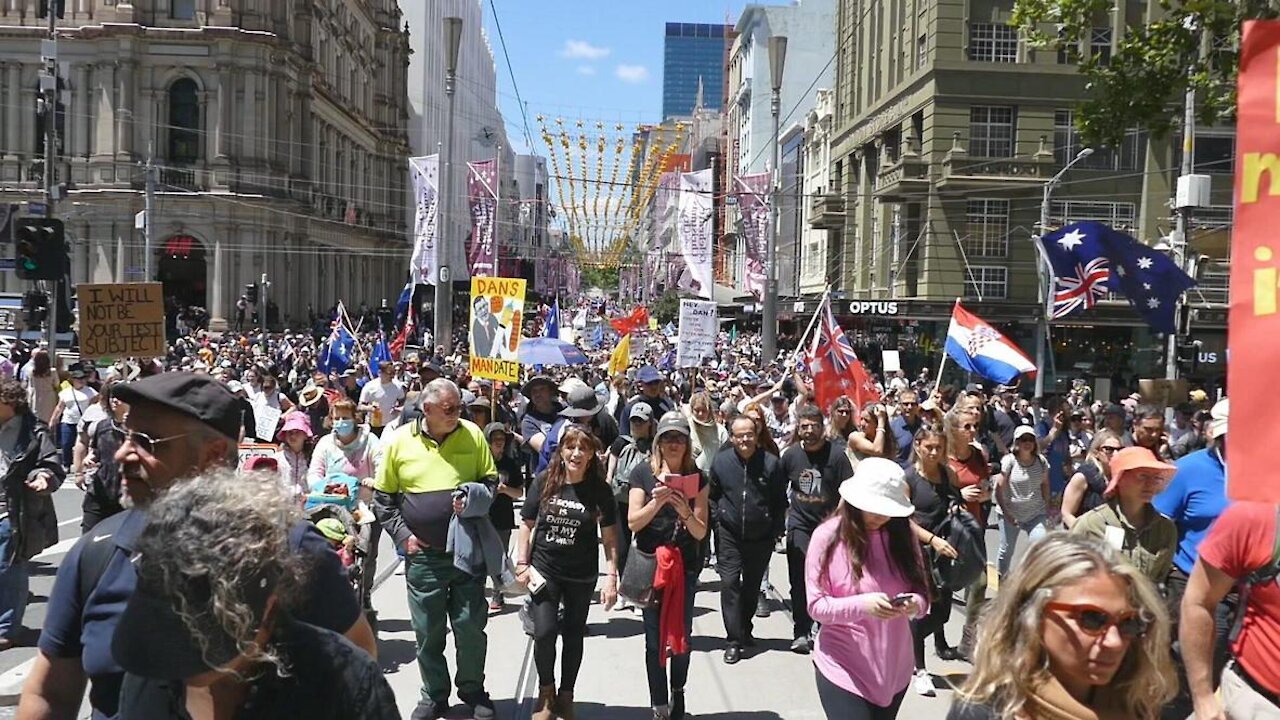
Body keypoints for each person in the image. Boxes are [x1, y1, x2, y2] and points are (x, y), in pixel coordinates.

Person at [22, 372, 375, 720]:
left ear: (214, 455)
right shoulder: (98, 552)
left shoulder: (290, 550)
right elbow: (49, 693)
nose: (123, 455)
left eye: (147, 442)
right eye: (125, 437)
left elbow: (356, 667)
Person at [111, 469, 399, 719]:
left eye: (204, 636)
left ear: (269, 608)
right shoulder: (149, 680)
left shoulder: (344, 683)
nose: (179, 657)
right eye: (171, 628)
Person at [373, 378, 500, 720]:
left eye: (458, 407)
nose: (456, 414)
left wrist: (473, 497)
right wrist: (403, 538)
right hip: (424, 556)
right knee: (428, 630)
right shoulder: (400, 442)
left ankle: (472, 688)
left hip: (467, 550)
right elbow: (383, 500)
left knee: (470, 625)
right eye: (449, 409)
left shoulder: (472, 435)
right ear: (426, 409)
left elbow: (491, 481)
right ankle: (434, 694)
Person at [948, 532, 1175, 720]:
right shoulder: (983, 712)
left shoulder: (1140, 709)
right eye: (1092, 618)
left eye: (1129, 623)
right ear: (1033, 614)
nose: (1115, 642)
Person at [805, 457, 930, 719]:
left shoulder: (904, 537)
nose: (879, 516)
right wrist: (863, 606)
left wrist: (912, 604)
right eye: (872, 508)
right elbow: (817, 606)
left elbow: (924, 597)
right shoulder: (827, 537)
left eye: (887, 510)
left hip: (894, 670)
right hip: (842, 667)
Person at [516, 425, 620, 720]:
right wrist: (523, 563)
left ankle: (566, 695)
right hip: (545, 571)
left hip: (581, 574)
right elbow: (527, 523)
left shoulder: (600, 490)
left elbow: (610, 537)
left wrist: (611, 577)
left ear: (591, 454)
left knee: (574, 636)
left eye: (583, 448)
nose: (576, 453)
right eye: (570, 447)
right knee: (545, 632)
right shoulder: (544, 481)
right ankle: (546, 694)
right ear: (560, 451)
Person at [628, 412, 710, 720]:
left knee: (681, 637)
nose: (674, 444)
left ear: (687, 444)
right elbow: (633, 521)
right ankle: (659, 703)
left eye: (680, 438)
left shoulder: (698, 479)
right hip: (651, 566)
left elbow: (701, 531)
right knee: (653, 639)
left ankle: (678, 691)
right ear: (658, 443)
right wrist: (657, 502)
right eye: (668, 438)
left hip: (684, 568)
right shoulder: (642, 474)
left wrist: (684, 510)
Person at [710, 414, 787, 664]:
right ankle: (733, 640)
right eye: (739, 435)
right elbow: (712, 495)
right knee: (729, 582)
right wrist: (717, 519)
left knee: (752, 587)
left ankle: (745, 628)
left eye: (749, 434)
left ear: (756, 435)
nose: (745, 439)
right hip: (729, 534)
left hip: (760, 536)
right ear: (731, 438)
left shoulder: (772, 464)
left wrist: (775, 530)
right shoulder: (721, 463)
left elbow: (779, 501)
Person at [781, 405, 854, 655]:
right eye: (804, 426)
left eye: (814, 426)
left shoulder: (836, 456)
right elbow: (780, 490)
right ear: (798, 428)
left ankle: (825, 627)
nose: (809, 430)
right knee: (800, 579)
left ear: (823, 428)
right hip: (799, 525)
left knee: (827, 580)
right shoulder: (790, 456)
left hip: (830, 527)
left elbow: (848, 490)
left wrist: (837, 519)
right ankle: (801, 631)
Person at [0, 378, 63, 651]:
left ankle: (6, 628)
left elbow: (48, 463)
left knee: (8, 566)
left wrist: (43, 477)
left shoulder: (34, 431)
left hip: (13, 508)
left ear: (9, 403)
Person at [904, 424, 963, 696]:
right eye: (929, 447)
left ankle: (903, 641)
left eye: (939, 447)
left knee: (942, 614)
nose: (934, 452)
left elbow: (956, 502)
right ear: (918, 446)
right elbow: (903, 520)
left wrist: (956, 508)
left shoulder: (947, 473)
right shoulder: (909, 479)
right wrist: (931, 539)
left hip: (943, 554)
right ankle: (920, 670)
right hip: (916, 551)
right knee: (921, 610)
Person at [309, 397, 382, 609]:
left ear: (355, 419)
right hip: (330, 507)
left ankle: (364, 591)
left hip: (362, 507)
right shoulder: (325, 443)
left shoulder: (369, 441)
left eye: (345, 418)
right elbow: (314, 472)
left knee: (366, 552)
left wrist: (374, 481)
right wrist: (322, 485)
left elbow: (380, 464)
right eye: (336, 418)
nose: (341, 422)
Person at [1071, 447, 1177, 584]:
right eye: (1142, 476)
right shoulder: (1091, 525)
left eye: (1155, 477)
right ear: (1120, 479)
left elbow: (1160, 578)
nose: (1150, 484)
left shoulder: (1165, 530)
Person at [946, 407, 993, 659]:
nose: (972, 431)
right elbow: (931, 490)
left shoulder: (977, 455)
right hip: (946, 530)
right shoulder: (941, 455)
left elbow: (985, 483)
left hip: (973, 528)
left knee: (980, 583)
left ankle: (968, 636)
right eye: (967, 426)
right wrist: (958, 496)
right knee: (941, 591)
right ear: (953, 430)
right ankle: (933, 639)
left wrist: (986, 492)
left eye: (975, 426)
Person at [608, 402, 655, 598]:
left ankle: (641, 590)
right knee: (623, 546)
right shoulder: (621, 442)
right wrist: (608, 480)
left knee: (644, 548)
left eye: (641, 422)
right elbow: (612, 462)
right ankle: (624, 590)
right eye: (634, 421)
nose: (637, 425)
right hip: (621, 501)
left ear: (650, 423)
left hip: (646, 502)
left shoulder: (656, 444)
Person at [996, 425, 1052, 577]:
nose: (1027, 443)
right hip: (1011, 513)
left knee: (1039, 545)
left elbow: (1045, 484)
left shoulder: (1041, 461)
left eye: (1030, 439)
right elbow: (998, 488)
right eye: (1022, 439)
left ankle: (1030, 579)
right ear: (1016, 442)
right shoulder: (1009, 461)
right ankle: (1001, 580)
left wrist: (1047, 506)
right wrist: (1006, 513)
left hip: (1035, 513)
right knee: (1006, 551)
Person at [78, 383, 128, 532]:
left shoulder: (140, 429)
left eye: (120, 397)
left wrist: (130, 428)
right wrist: (90, 457)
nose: (114, 400)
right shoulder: (102, 426)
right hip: (100, 491)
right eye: (112, 397)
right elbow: (95, 450)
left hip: (125, 495)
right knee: (88, 538)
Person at [485, 422, 524, 611]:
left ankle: (497, 593)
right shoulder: (481, 462)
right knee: (480, 558)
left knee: (499, 557)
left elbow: (519, 493)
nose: (499, 443)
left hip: (502, 516)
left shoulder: (510, 464)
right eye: (495, 439)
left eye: (502, 439)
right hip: (483, 516)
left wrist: (505, 489)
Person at [1060, 430, 1123, 530]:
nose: (1116, 454)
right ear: (1096, 452)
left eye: (1120, 449)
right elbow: (1066, 513)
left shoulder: (1121, 475)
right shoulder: (1083, 476)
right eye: (1108, 449)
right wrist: (1085, 534)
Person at [49, 363, 97, 469]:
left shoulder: (91, 392)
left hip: (84, 422)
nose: (81, 381)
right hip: (68, 421)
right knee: (66, 444)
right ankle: (66, 464)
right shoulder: (65, 393)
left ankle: (81, 464)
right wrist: (53, 420)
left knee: (84, 444)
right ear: (73, 380)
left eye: (83, 378)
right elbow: (59, 407)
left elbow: (95, 406)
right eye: (78, 379)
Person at [359, 361, 405, 437]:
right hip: (374, 425)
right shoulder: (370, 386)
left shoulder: (398, 386)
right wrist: (370, 408)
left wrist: (398, 409)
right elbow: (360, 406)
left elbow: (402, 401)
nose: (392, 376)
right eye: (389, 373)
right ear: (380, 373)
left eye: (393, 373)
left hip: (391, 425)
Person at [277, 411, 315, 501]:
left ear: (305, 435)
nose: (293, 435)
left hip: (309, 508)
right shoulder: (277, 459)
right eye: (289, 432)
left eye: (297, 432)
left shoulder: (313, 458)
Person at [890, 390, 924, 468]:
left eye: (913, 404)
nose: (909, 407)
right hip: (899, 472)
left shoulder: (924, 427)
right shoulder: (892, 427)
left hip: (919, 472)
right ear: (899, 406)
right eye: (905, 404)